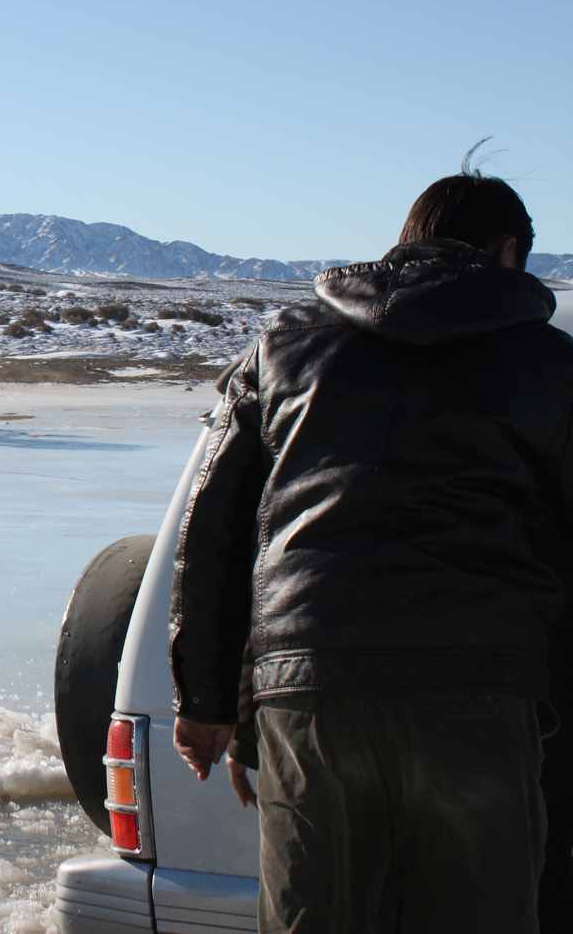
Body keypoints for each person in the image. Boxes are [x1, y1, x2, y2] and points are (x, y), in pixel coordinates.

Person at [168, 162, 572, 933]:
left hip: (309, 690)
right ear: (509, 252)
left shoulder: (283, 346)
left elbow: (213, 521)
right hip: (479, 700)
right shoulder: (551, 365)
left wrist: (209, 699)